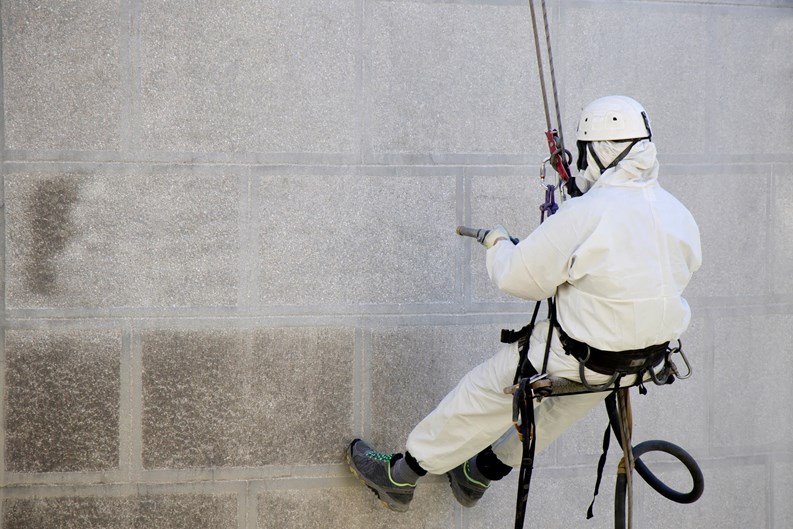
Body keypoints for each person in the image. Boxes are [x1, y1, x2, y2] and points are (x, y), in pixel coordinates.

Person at [347, 95, 702, 512]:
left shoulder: (587, 213)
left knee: (484, 393)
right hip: (640, 361)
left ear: (600, 150)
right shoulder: (678, 213)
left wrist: (497, 242)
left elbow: (519, 278)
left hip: (580, 355)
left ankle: (401, 476)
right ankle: (479, 473)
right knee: (560, 408)